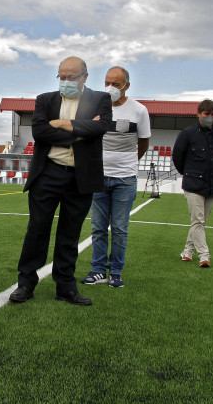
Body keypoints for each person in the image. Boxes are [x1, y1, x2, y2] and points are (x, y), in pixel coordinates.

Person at [9, 56, 111, 306]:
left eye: (71, 77)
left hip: (81, 177)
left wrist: (65, 124)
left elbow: (102, 128)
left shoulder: (100, 99)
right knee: (37, 229)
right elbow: (40, 131)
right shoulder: (46, 99)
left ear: (85, 77)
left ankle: (65, 286)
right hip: (48, 174)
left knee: (70, 233)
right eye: (61, 76)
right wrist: (80, 132)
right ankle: (25, 283)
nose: (65, 81)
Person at [80, 67, 150, 288]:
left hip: (125, 179)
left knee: (120, 228)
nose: (110, 87)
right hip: (98, 178)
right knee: (98, 228)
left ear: (127, 86)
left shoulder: (139, 110)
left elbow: (144, 142)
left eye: (116, 84)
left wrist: (127, 162)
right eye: (107, 82)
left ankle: (116, 272)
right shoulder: (95, 107)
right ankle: (98, 270)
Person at [172, 99, 213, 268]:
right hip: (193, 184)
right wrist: (188, 174)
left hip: (212, 185)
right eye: (206, 114)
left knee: (201, 222)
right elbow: (177, 157)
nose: (210, 117)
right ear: (199, 114)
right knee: (198, 221)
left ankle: (187, 251)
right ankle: (204, 255)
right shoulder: (187, 134)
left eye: (212, 114)